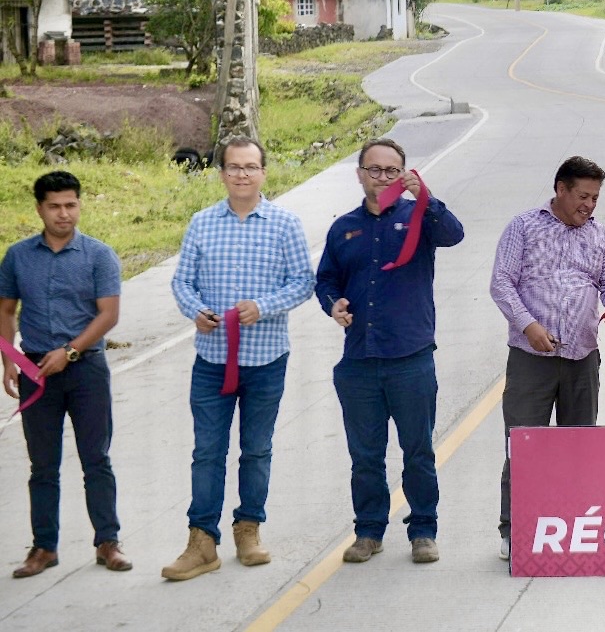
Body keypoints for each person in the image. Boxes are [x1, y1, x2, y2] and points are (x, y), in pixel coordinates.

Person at [162, 137, 314, 582]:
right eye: (233, 167)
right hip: (212, 361)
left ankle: (248, 529)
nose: (242, 174)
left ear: (264, 172)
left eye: (250, 167)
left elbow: (303, 282)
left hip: (266, 359)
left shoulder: (285, 224)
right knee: (207, 450)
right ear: (221, 173)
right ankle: (201, 541)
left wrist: (263, 307)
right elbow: (182, 282)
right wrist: (196, 312)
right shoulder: (202, 223)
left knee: (257, 449)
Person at [316, 138, 465, 565]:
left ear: (403, 174)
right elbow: (325, 280)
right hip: (359, 362)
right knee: (365, 456)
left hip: (410, 358)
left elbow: (454, 234)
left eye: (391, 170)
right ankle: (368, 531)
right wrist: (334, 304)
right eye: (374, 169)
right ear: (360, 174)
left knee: (418, 451)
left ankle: (423, 530)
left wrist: (427, 199)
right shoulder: (344, 228)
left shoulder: (419, 217)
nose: (382, 177)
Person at [490, 156, 605, 561]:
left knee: (579, 447)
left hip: (582, 357)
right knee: (524, 446)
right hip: (531, 358)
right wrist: (528, 325)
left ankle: (573, 527)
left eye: (595, 198)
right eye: (582, 196)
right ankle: (515, 531)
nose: (589, 205)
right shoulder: (523, 227)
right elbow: (501, 283)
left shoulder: (600, 236)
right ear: (560, 189)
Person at [0, 171, 129, 578]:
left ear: (79, 205)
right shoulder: (18, 257)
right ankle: (44, 548)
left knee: (97, 459)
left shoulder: (99, 255)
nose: (63, 213)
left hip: (86, 369)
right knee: (42, 465)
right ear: (39, 209)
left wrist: (70, 352)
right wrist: (9, 360)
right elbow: (6, 310)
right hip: (36, 371)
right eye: (54, 206)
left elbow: (109, 314)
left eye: (71, 205)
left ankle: (108, 542)